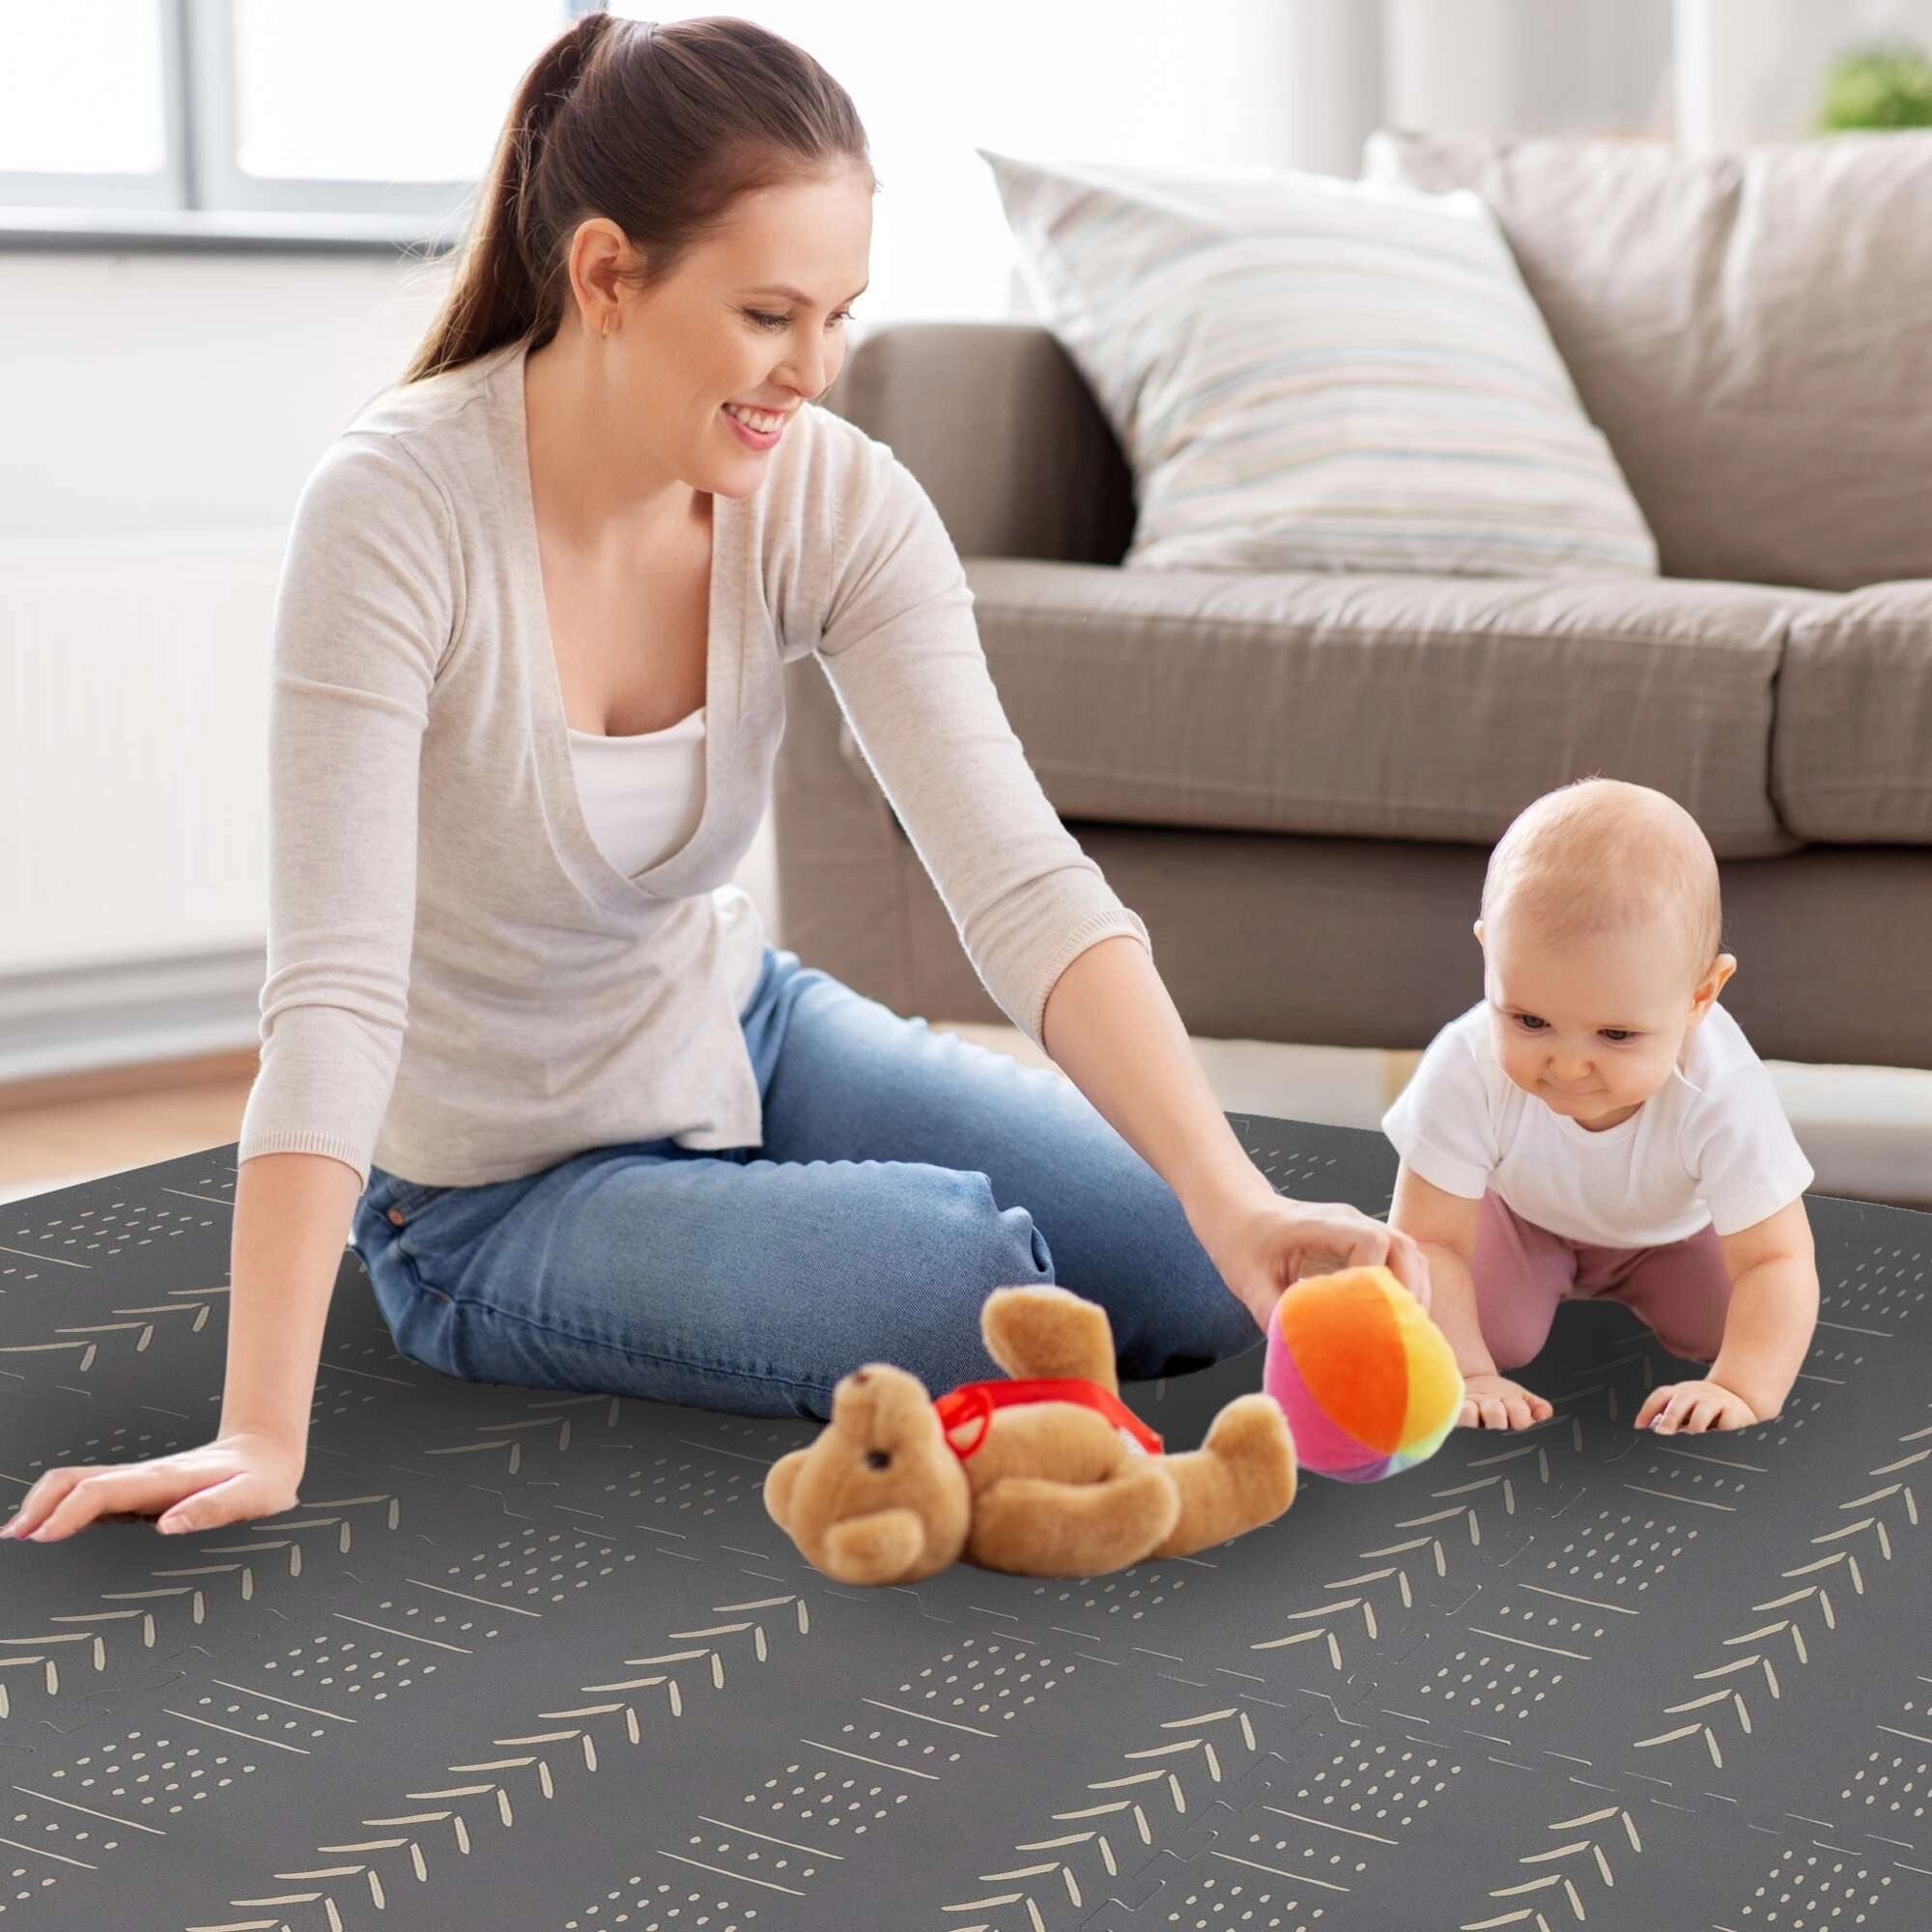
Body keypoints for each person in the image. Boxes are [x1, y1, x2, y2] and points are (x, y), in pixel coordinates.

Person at [2, 14, 1424, 1548]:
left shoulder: (834, 500)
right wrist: (260, 1429)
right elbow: (335, 992)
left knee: (1181, 1257)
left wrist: (1235, 1200)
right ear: (608, 275)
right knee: (967, 1283)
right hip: (496, 1188)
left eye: (841, 316)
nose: (813, 372)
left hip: (733, 1027)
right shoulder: (395, 515)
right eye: (767, 315)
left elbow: (1019, 879)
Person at [1383, 778, 1819, 1436]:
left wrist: (1739, 1389)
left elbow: (1775, 1260)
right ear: (1490, 958)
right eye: (1529, 1020)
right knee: (1481, 1331)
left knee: (1733, 1326)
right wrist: (1468, 1375)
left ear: (1700, 996)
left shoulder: (1722, 1090)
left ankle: (1663, 1303)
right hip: (1522, 1221)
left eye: (1615, 1034)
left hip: (1671, 1236)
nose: (1567, 1066)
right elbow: (1429, 1239)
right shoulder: (1467, 1062)